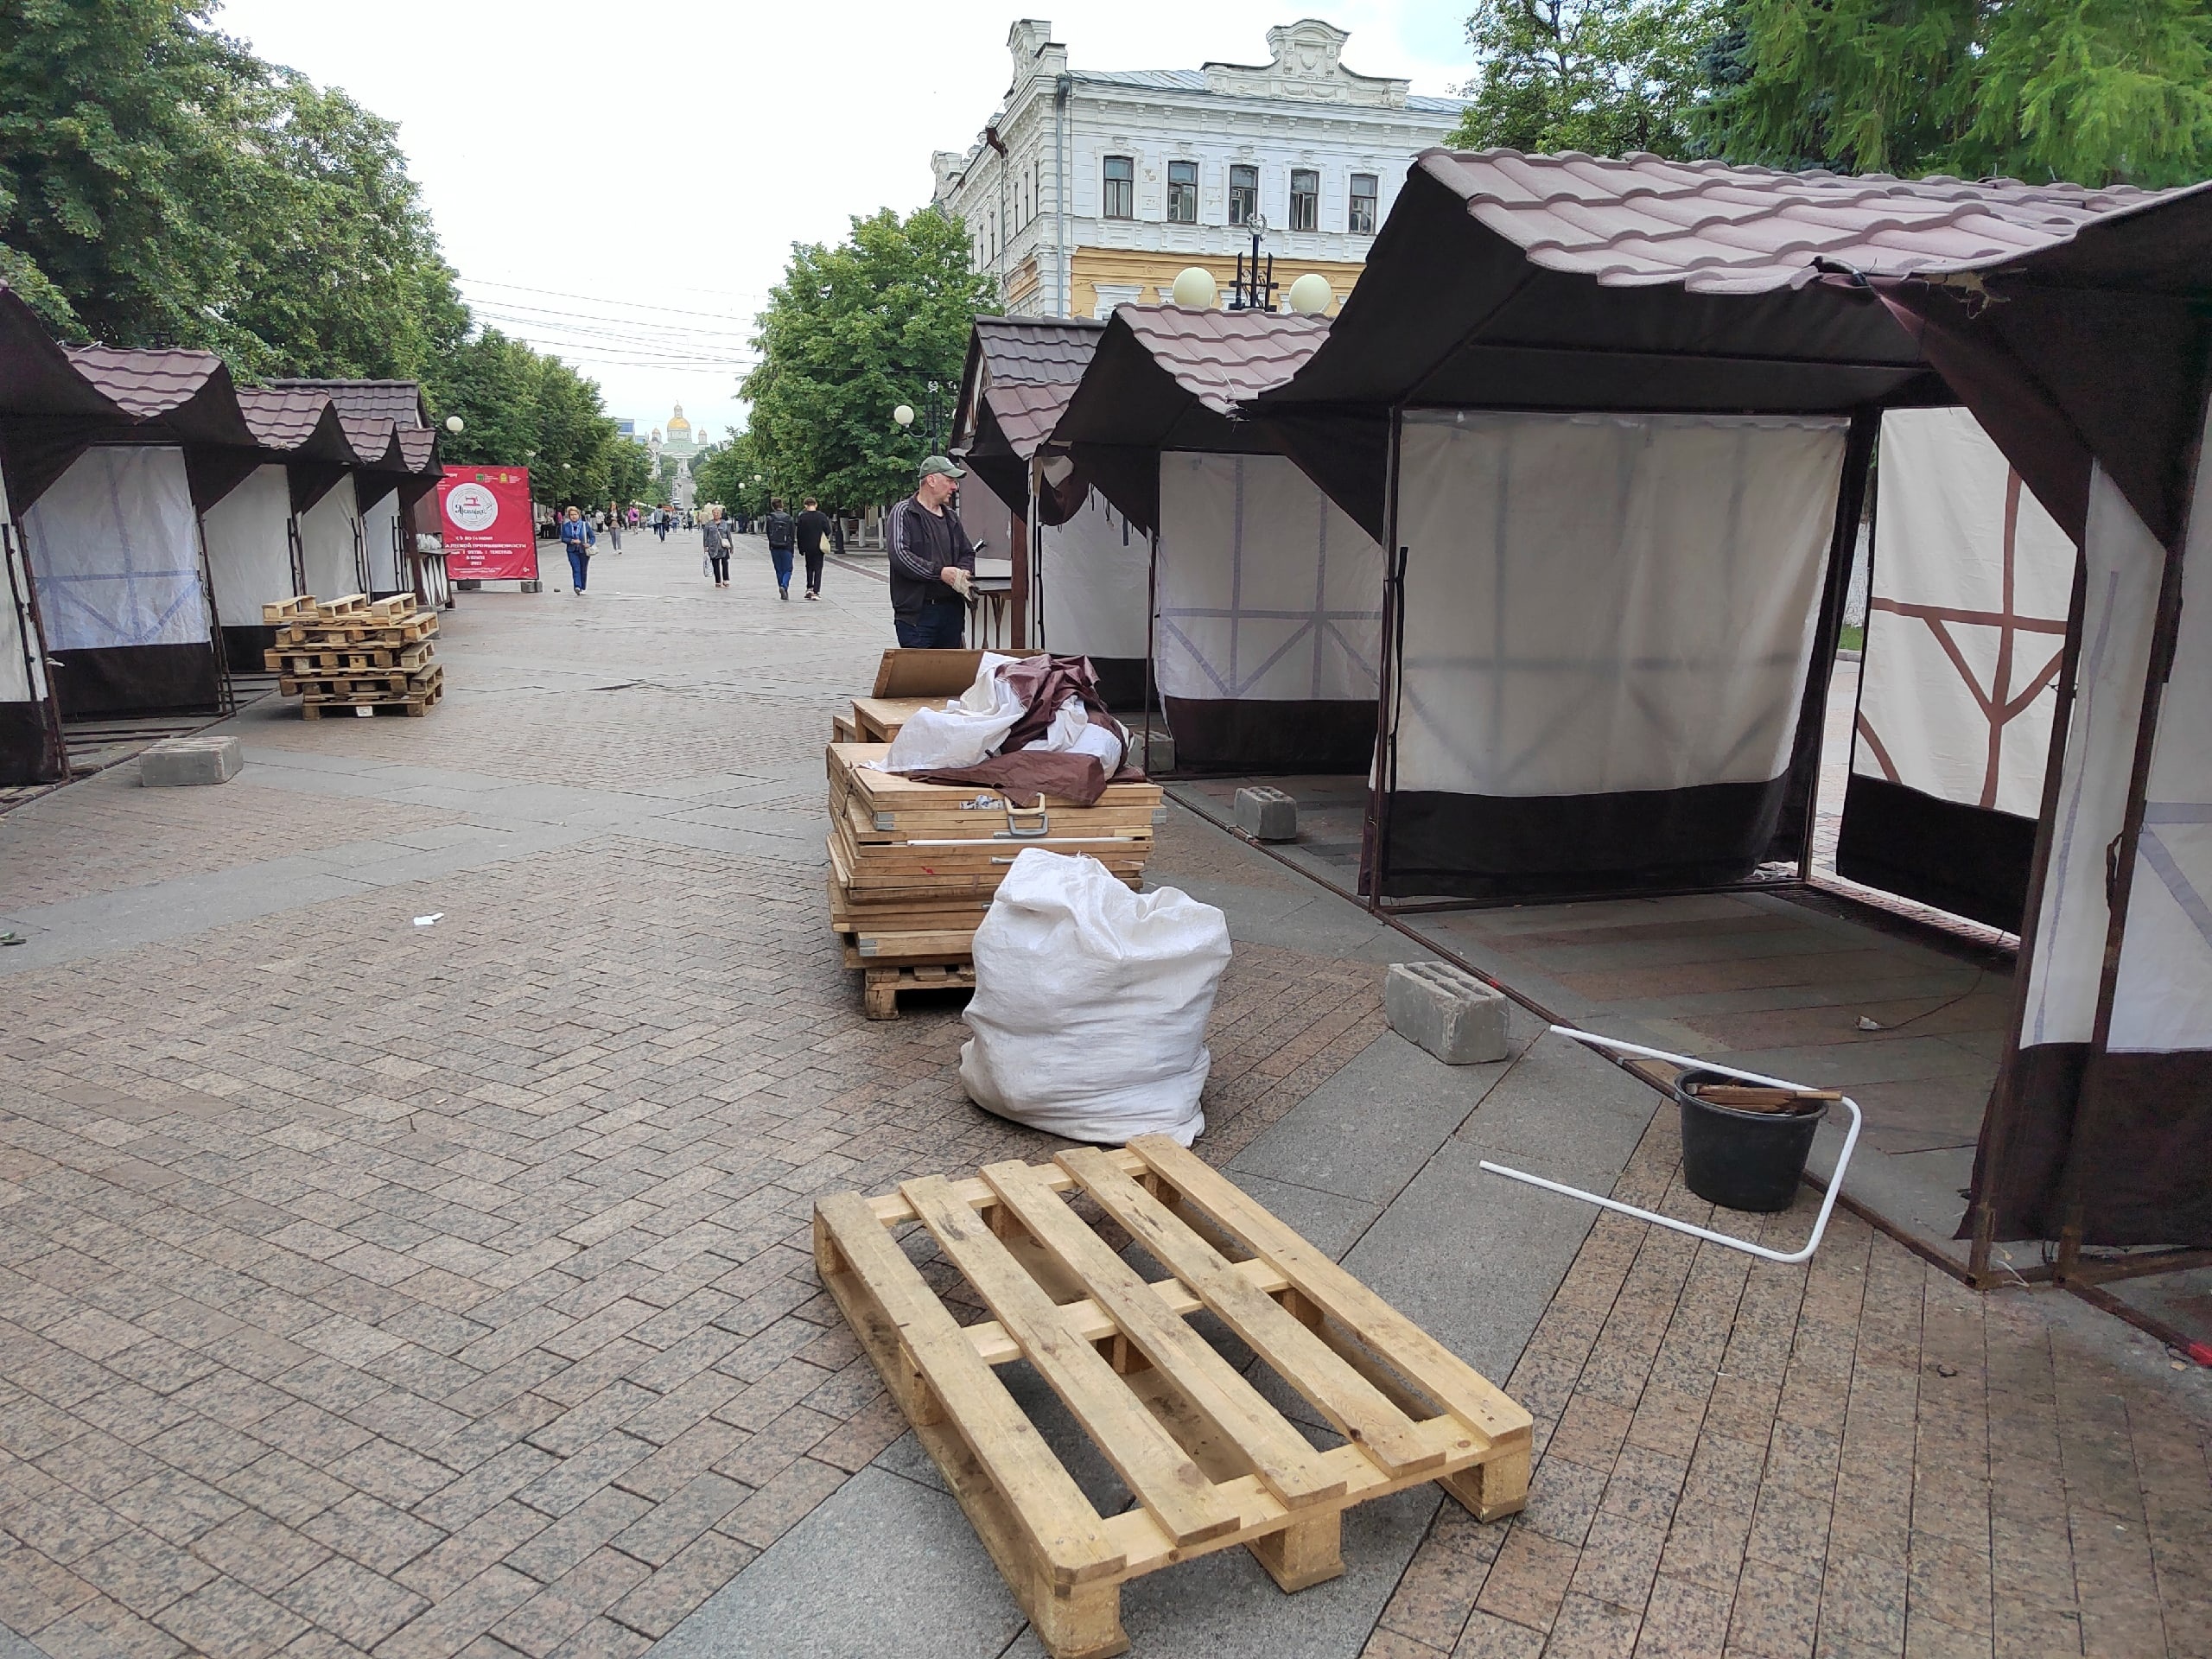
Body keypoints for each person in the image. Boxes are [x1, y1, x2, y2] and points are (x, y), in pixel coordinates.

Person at [885, 457, 974, 646]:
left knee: (950, 666)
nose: (955, 487)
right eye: (950, 481)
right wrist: (940, 573)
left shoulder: (951, 517)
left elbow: (967, 552)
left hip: (951, 612)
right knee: (919, 666)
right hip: (917, 616)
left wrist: (963, 571)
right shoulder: (904, 512)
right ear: (931, 480)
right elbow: (900, 555)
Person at [796, 496, 839, 601]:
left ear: (805, 506)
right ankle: (816, 591)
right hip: (819, 546)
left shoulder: (802, 517)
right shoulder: (822, 516)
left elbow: (799, 534)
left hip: (807, 547)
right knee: (818, 568)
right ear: (816, 505)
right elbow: (828, 531)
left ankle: (809, 588)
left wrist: (801, 548)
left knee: (809, 567)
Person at [762, 497, 798, 601]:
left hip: (774, 546)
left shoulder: (770, 518)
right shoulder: (789, 518)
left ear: (773, 506)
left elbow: (768, 533)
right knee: (788, 569)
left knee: (778, 569)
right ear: (782, 505)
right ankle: (784, 586)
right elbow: (792, 534)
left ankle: (781, 587)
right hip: (787, 547)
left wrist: (771, 543)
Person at [558, 505, 595, 594]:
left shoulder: (585, 525)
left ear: (579, 515)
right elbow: (563, 538)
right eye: (571, 515)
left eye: (575, 514)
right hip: (572, 550)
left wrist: (589, 544)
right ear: (569, 516)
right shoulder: (566, 526)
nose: (574, 516)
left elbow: (592, 537)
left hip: (583, 550)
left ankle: (583, 587)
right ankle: (577, 586)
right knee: (576, 568)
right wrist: (572, 541)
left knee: (583, 569)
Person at [704, 507, 730, 588]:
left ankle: (726, 580)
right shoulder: (709, 524)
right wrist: (705, 547)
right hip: (713, 547)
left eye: (717, 513)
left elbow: (728, 535)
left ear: (720, 514)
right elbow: (705, 536)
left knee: (725, 563)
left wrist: (731, 546)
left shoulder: (724, 523)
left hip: (723, 547)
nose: (716, 514)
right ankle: (718, 581)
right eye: (714, 513)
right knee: (715, 564)